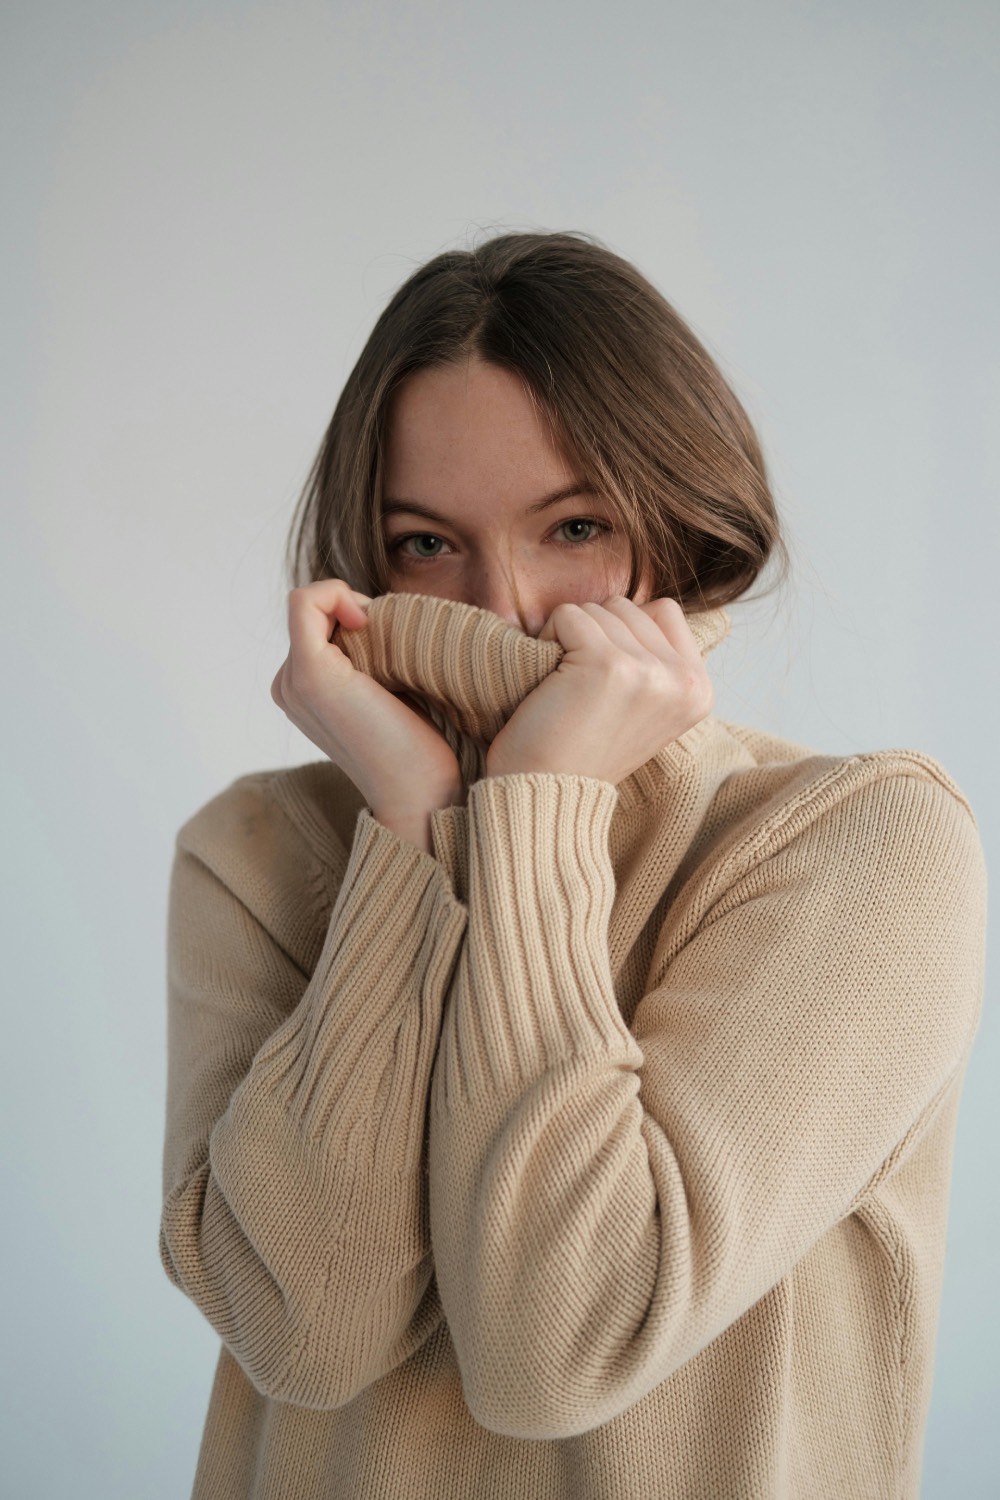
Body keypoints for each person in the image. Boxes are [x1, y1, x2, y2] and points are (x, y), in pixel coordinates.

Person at [159, 231, 987, 1499]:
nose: (508, 610)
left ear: (678, 520)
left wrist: (534, 804)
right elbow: (303, 1331)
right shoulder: (261, 854)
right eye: (428, 545)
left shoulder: (861, 846)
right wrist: (412, 829)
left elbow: (564, 1341)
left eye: (576, 526)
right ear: (363, 562)